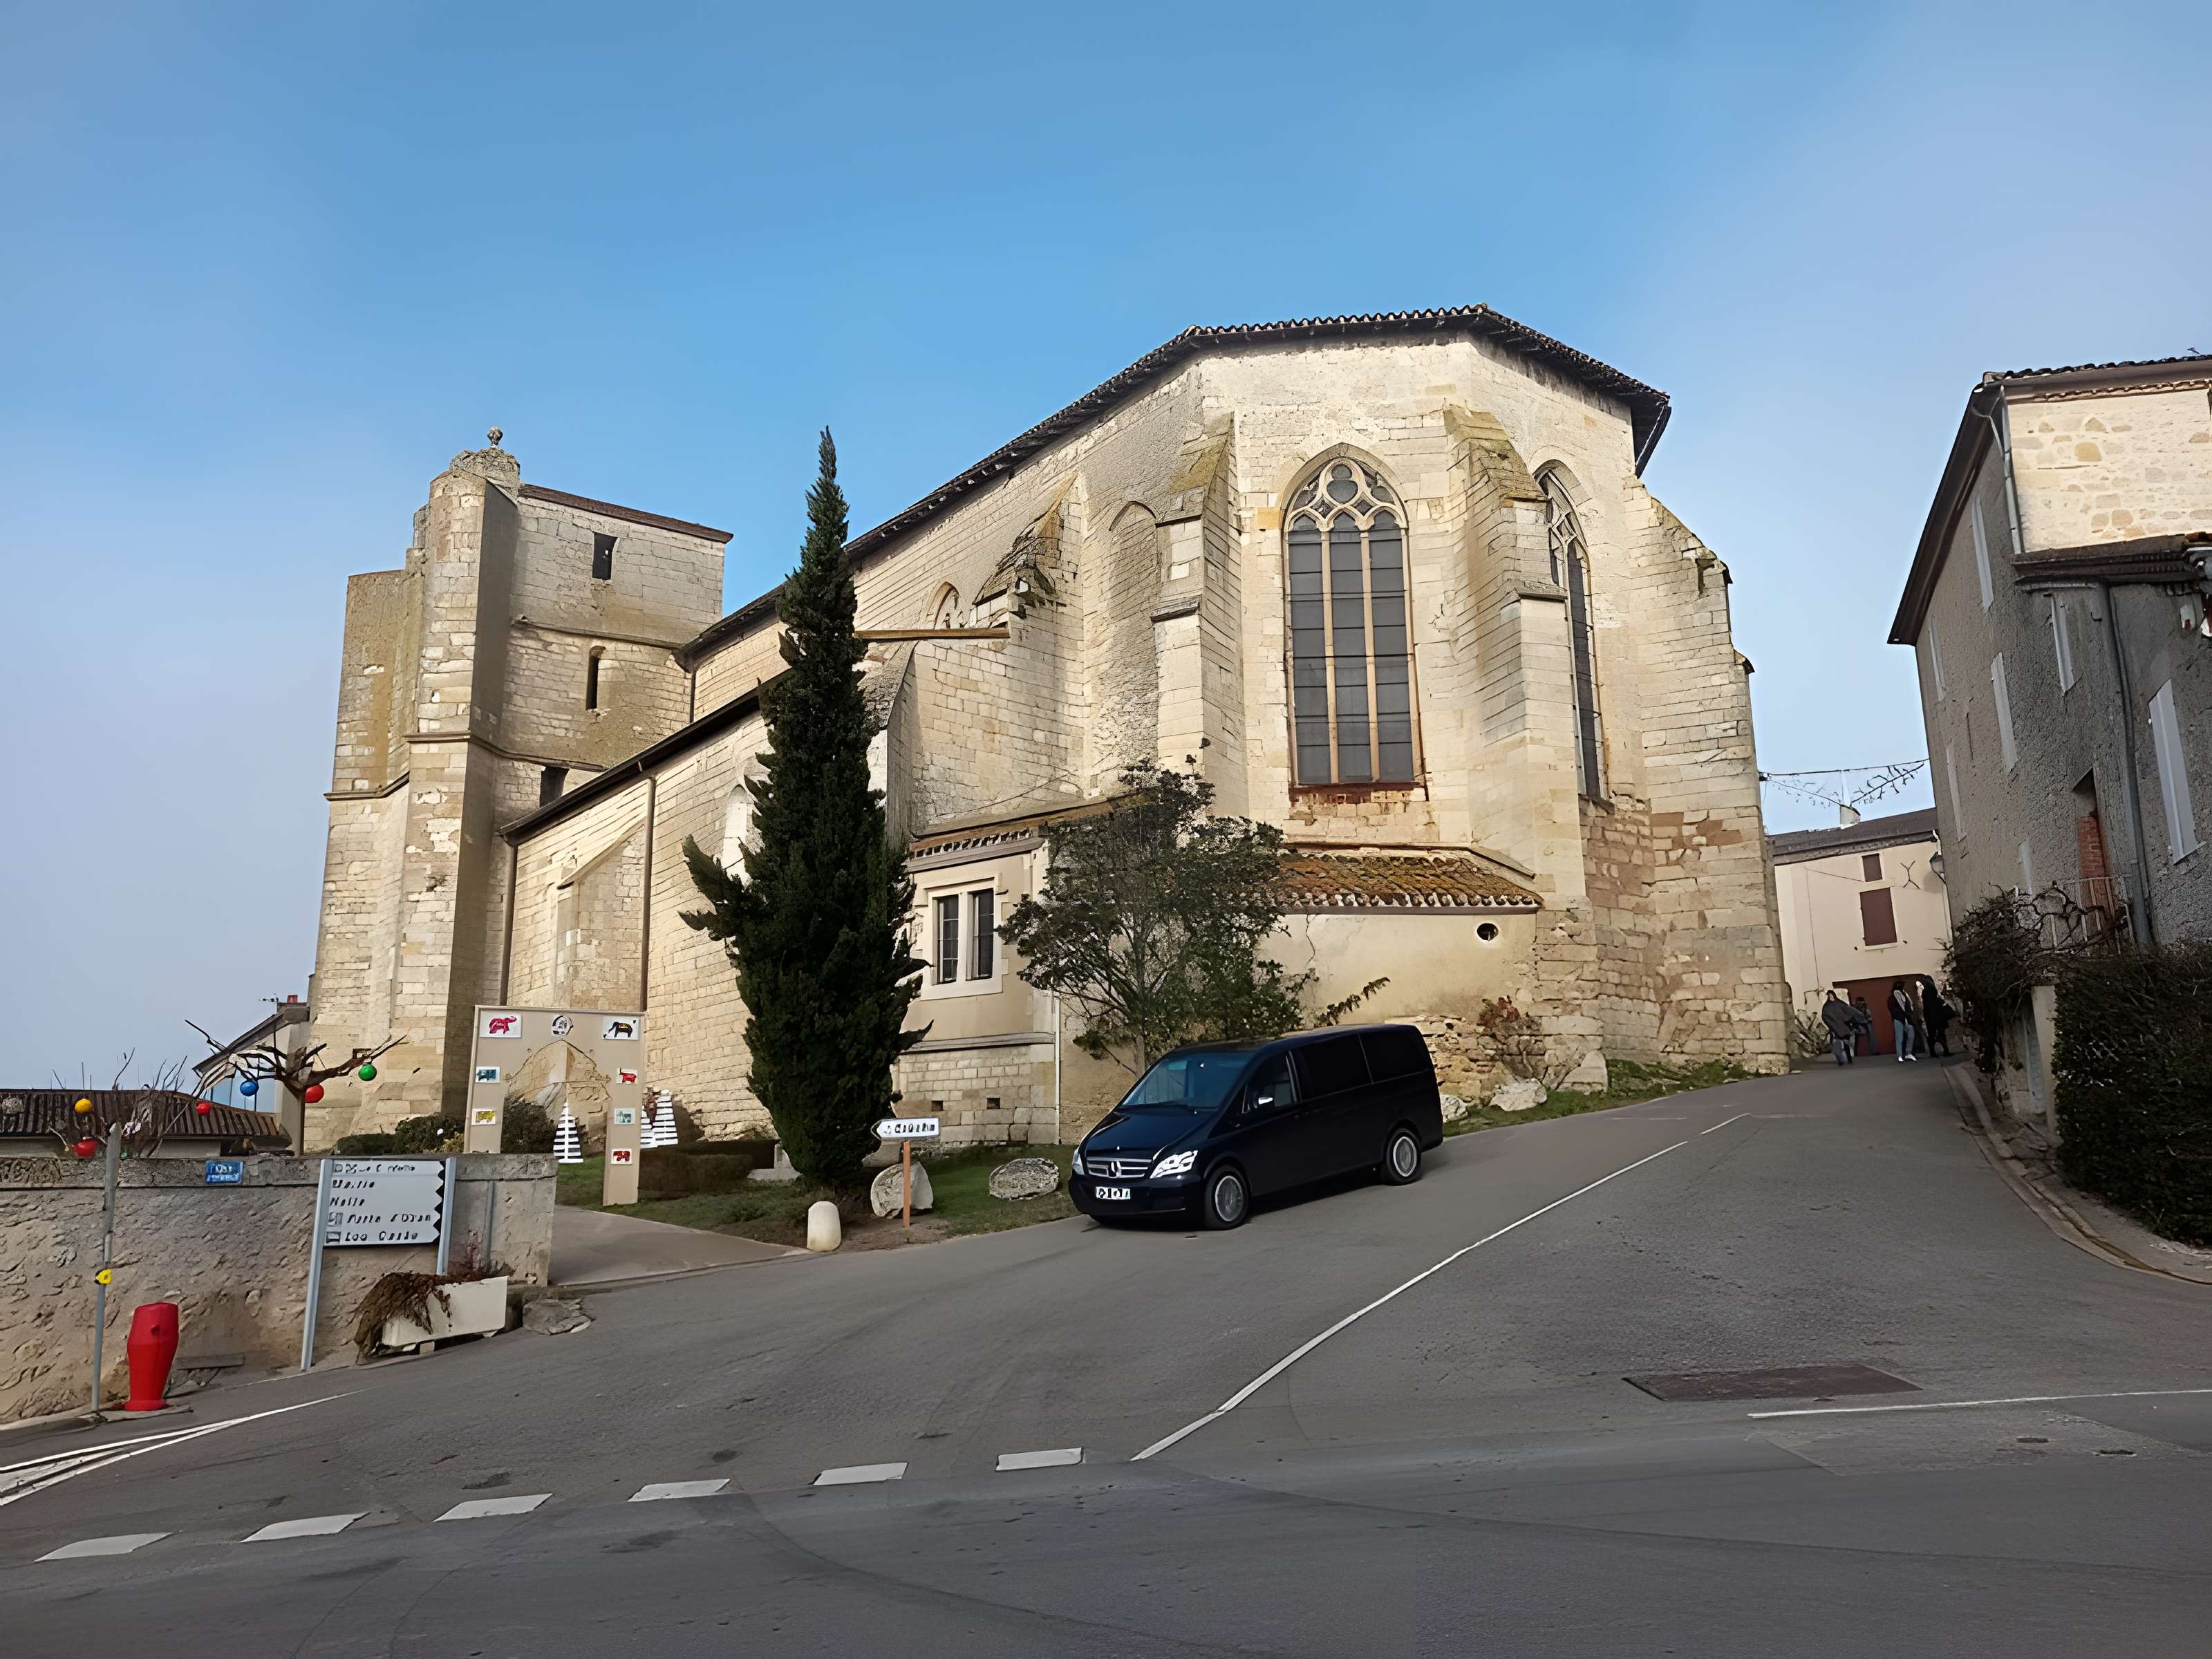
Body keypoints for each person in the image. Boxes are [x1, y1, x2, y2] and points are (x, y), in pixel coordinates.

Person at [1820, 990, 1857, 1066]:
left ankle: (1849, 1058)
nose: (1830, 997)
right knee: (1837, 1046)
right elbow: (1825, 1016)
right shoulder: (1827, 1006)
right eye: (1829, 995)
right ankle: (1840, 1060)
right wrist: (1831, 1025)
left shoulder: (1840, 1003)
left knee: (1846, 1044)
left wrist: (1847, 1021)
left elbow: (1847, 1010)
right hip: (1834, 1028)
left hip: (1843, 1027)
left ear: (1834, 995)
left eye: (1831, 995)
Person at [1920, 976, 1955, 1057]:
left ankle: (1933, 1052)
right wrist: (1941, 1002)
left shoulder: (1925, 991)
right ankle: (1945, 1051)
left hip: (1929, 1016)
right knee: (1941, 1033)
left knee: (1931, 1034)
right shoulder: (1931, 989)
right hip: (1937, 1014)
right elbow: (1935, 1001)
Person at [1888, 978, 1920, 1062]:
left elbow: (1909, 1007)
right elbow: (1894, 1010)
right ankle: (1900, 1055)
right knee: (1900, 1039)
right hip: (1899, 1019)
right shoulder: (1892, 998)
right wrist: (1905, 1015)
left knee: (1910, 1035)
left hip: (1906, 1019)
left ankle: (1908, 1052)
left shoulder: (1904, 996)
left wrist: (1908, 1015)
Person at [1850, 994, 1876, 1058]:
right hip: (1861, 1025)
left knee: (1853, 1037)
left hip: (1861, 1025)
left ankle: (1853, 1053)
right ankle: (1873, 1051)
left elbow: (1869, 1017)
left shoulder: (1860, 1008)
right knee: (1871, 1036)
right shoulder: (1862, 1008)